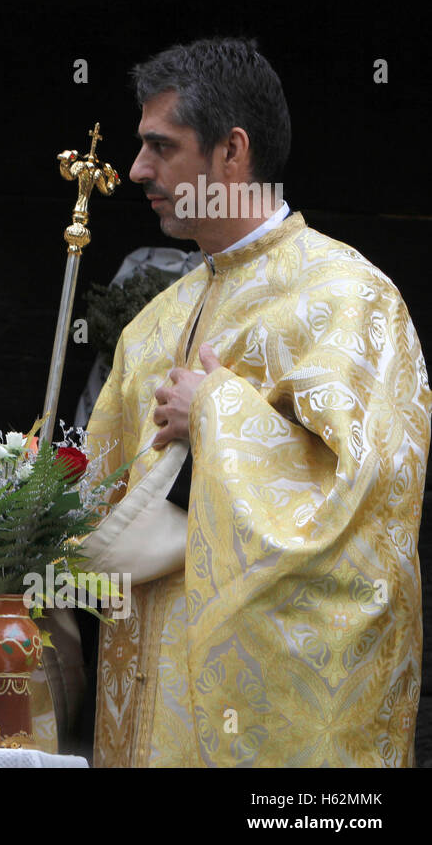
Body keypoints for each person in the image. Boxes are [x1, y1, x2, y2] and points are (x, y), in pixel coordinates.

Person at [81, 37, 428, 766]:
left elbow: (369, 505)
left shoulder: (346, 298)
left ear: (231, 151)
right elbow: (98, 507)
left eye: (160, 147)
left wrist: (217, 413)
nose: (138, 170)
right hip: (144, 701)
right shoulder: (153, 325)